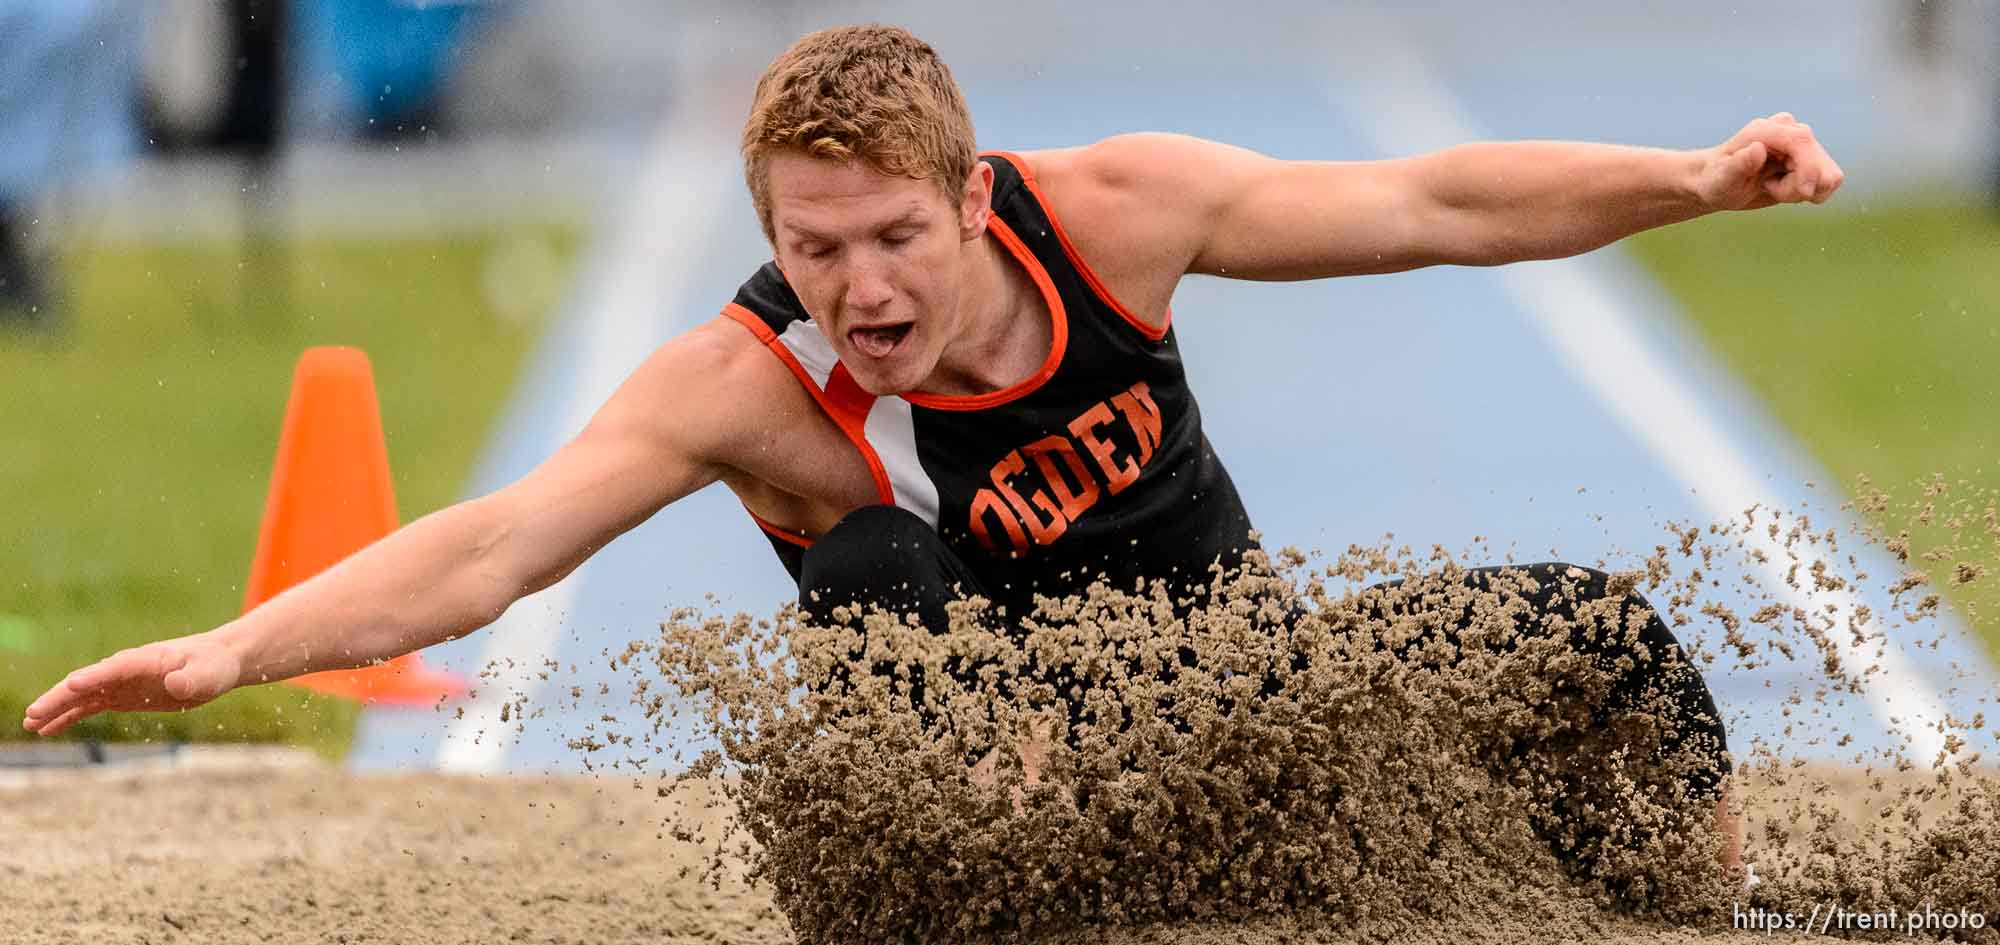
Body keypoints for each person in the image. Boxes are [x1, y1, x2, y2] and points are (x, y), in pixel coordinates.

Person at [24, 24, 1841, 872]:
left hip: (1256, 724)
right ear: (773, 234)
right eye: (815, 248)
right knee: (880, 555)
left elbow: (1435, 200)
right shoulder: (748, 382)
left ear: (973, 200)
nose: (860, 285)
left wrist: (1689, 177)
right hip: (1000, 815)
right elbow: (499, 546)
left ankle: (1716, 913)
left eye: (895, 235)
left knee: (1611, 634)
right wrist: (236, 646)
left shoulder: (1115, 217)